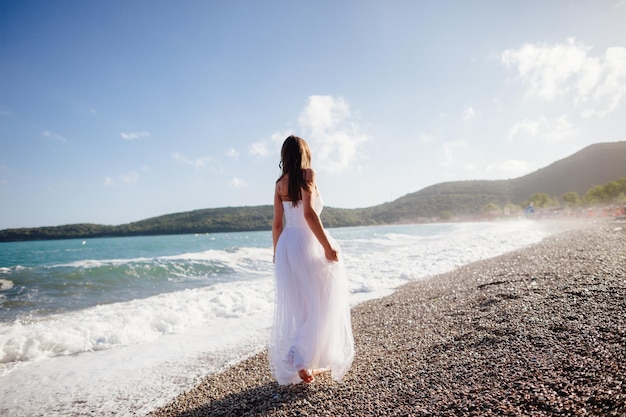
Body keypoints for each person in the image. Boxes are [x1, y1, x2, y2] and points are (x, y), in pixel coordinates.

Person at [269, 135, 355, 385]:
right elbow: (307, 213)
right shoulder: (308, 175)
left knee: (303, 302)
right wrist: (327, 246)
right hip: (307, 242)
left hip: (286, 244)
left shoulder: (279, 184)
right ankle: (298, 353)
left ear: (284, 156)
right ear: (305, 153)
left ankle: (306, 360)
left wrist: (277, 252)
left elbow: (277, 224)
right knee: (325, 297)